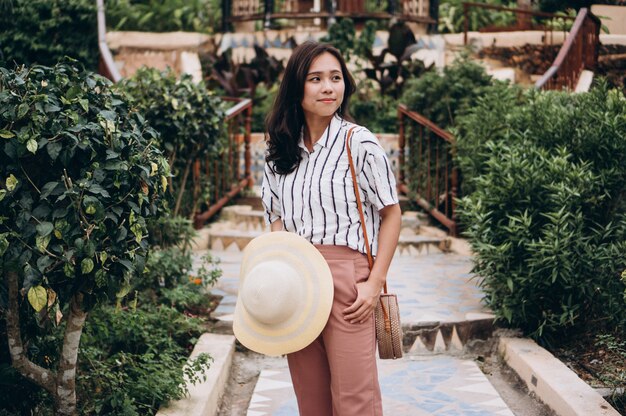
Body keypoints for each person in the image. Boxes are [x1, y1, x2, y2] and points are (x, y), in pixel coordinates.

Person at [261, 41, 402, 416]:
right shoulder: (279, 152)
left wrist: (374, 284)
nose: (328, 88)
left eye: (336, 78)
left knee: (355, 399)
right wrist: (281, 275)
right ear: (296, 87)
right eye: (316, 78)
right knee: (312, 400)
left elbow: (391, 214)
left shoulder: (361, 143)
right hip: (297, 281)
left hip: (348, 282)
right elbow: (274, 215)